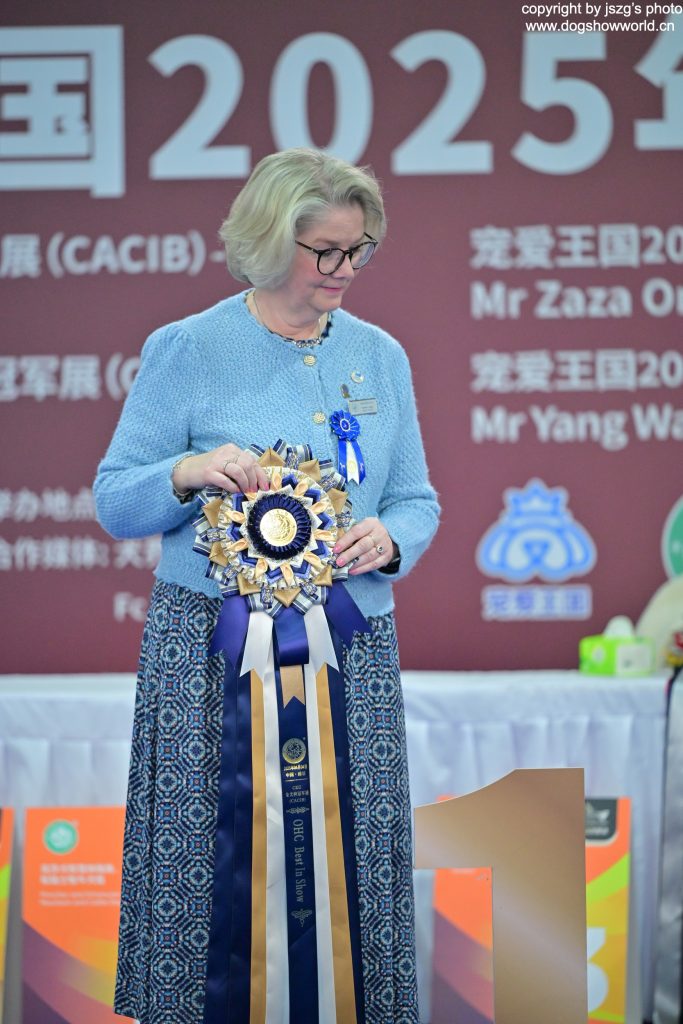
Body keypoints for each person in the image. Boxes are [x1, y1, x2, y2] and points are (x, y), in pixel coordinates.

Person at [95, 147, 439, 1024]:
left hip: (350, 647)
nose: (345, 270)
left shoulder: (379, 356)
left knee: (349, 849)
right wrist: (186, 472)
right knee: (204, 852)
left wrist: (392, 537)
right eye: (326, 251)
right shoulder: (188, 348)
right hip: (206, 653)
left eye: (359, 250)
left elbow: (415, 498)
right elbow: (116, 499)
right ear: (269, 241)